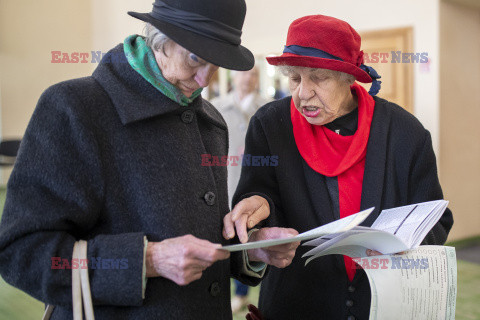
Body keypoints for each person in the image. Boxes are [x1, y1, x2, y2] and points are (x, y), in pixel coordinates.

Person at [0, 0, 299, 319]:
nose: (204, 81)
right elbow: (21, 254)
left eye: (216, 65)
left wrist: (250, 249)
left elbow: (202, 241)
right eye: (196, 58)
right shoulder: (74, 109)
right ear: (160, 38)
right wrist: (147, 261)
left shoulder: (210, 122)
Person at [223, 15, 454, 319]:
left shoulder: (405, 133)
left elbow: (436, 218)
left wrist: (400, 248)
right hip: (295, 305)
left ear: (348, 78)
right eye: (294, 78)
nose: (303, 93)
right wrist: (258, 206)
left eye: (318, 78)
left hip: (381, 306)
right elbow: (260, 199)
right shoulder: (269, 126)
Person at [211, 67, 271, 313]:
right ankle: (227, 289)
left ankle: (244, 291)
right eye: (244, 73)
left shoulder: (267, 106)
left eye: (254, 74)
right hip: (226, 178)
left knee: (250, 233)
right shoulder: (216, 106)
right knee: (226, 232)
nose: (248, 78)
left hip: (257, 181)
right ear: (234, 77)